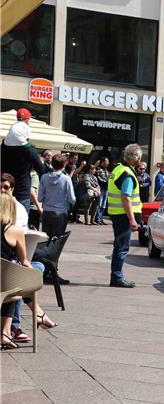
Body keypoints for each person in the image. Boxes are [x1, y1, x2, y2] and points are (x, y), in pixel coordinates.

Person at [1, 193, 56, 350]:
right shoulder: (15, 230)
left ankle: (6, 332)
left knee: (10, 282)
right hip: (6, 284)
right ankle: (37, 315)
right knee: (15, 283)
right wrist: (32, 277)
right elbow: (24, 261)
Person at [107, 144, 143, 288]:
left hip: (117, 214)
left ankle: (116, 276)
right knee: (122, 247)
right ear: (136, 158)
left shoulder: (117, 169)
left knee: (119, 246)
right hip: (123, 215)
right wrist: (132, 219)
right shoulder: (127, 174)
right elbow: (125, 197)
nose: (140, 159)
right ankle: (117, 277)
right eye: (140, 156)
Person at [0, 109, 48, 210]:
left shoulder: (3, 147)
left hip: (4, 190)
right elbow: (41, 170)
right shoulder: (29, 150)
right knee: (21, 222)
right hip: (22, 192)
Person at [39, 154, 75, 239]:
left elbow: (39, 197)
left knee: (46, 238)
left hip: (47, 211)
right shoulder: (66, 179)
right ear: (64, 164)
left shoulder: (44, 177)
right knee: (57, 240)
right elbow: (72, 199)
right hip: (61, 212)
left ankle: (45, 252)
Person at [94, 157, 110, 225]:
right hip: (101, 188)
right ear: (102, 162)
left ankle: (101, 218)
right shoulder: (98, 169)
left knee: (103, 205)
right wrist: (108, 182)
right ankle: (97, 218)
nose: (108, 163)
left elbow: (108, 178)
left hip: (106, 189)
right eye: (106, 162)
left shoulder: (106, 170)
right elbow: (100, 180)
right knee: (99, 204)